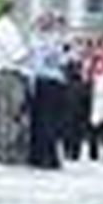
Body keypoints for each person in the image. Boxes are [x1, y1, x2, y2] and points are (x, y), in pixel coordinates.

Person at [0, 0, 29, 165]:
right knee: (12, 113)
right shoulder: (7, 28)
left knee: (3, 114)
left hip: (2, 74)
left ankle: (1, 150)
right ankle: (8, 151)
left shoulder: (0, 27)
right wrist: (29, 50)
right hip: (9, 75)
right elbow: (17, 54)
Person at [26, 13, 66, 170]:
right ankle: (49, 157)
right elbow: (63, 60)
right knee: (49, 121)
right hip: (54, 81)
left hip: (44, 81)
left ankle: (41, 157)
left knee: (42, 120)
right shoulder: (57, 40)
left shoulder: (38, 40)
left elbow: (34, 62)